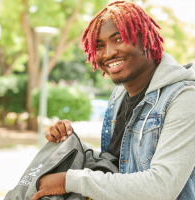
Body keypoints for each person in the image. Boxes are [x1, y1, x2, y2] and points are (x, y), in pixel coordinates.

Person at [32, 1, 195, 200]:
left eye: (118, 39)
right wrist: (70, 144)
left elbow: (162, 186)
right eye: (99, 45)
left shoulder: (184, 98)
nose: (108, 53)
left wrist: (70, 180)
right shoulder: (119, 95)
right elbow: (117, 165)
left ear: (145, 38)